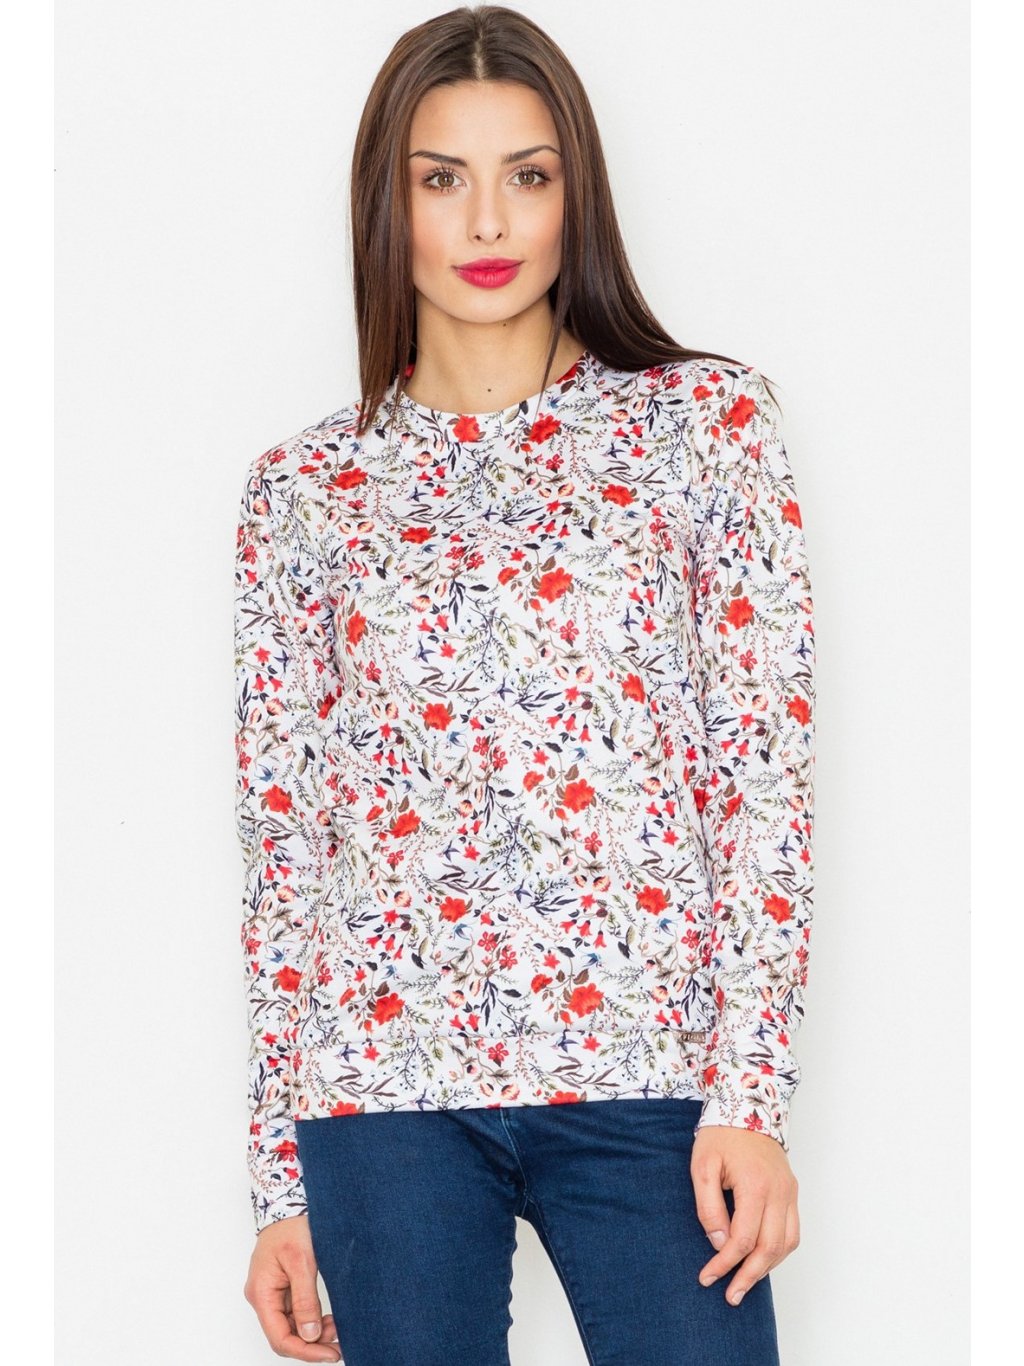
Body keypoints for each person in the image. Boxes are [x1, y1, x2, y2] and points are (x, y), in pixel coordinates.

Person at [233, 6, 816, 1363]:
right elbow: (284, 843)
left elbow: (763, 776)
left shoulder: (706, 429)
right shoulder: (304, 491)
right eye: (442, 178)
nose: (488, 221)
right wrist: (278, 1184)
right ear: (388, 205)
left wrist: (752, 1093)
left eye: (529, 175)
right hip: (381, 1096)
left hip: (650, 1073)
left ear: (575, 196)